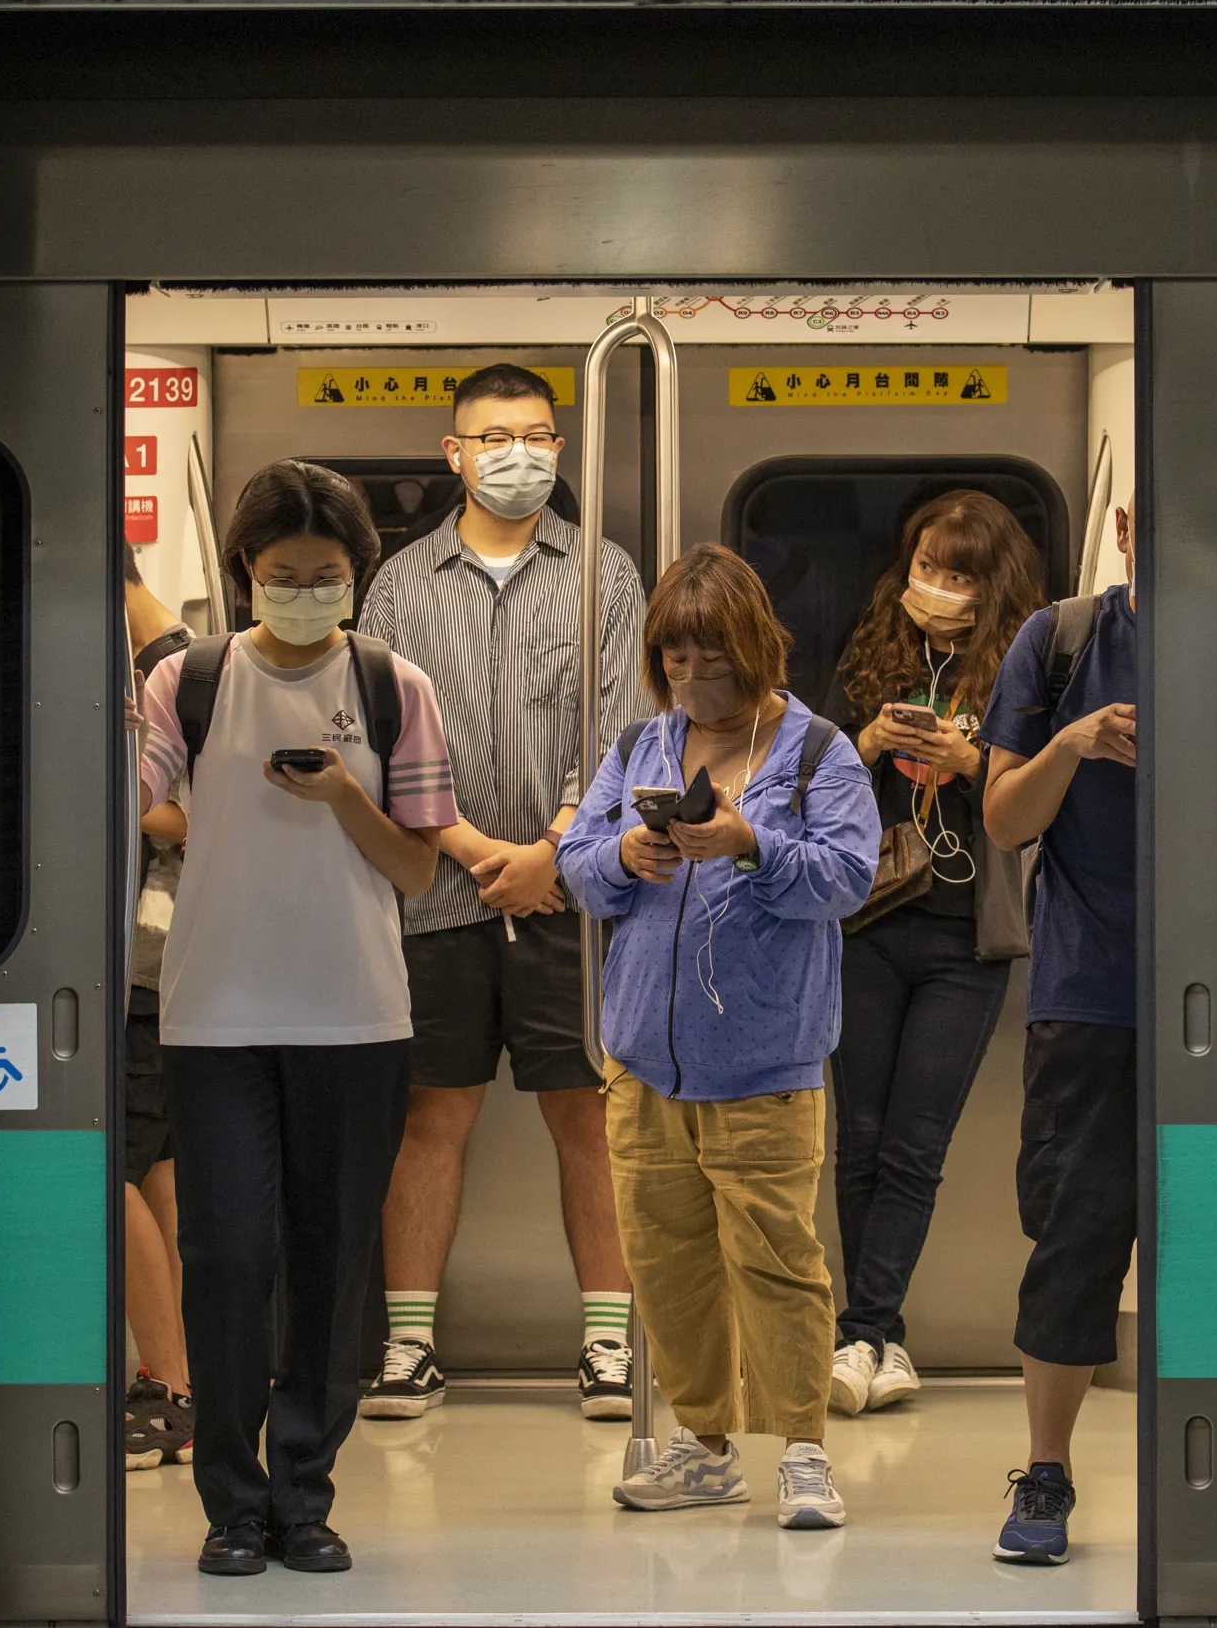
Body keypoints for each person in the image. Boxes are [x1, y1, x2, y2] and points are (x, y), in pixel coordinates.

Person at [136, 461, 459, 1576]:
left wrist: (341, 795)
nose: (308, 592)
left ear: (357, 576)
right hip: (214, 1010)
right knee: (226, 1253)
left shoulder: (393, 684)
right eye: (285, 575)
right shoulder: (185, 680)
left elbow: (419, 868)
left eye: (327, 575)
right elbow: (153, 803)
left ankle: (305, 1493)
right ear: (244, 575)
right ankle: (232, 1496)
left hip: (355, 1012)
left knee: (330, 1262)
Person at [556, 545, 878, 1531]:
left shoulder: (819, 751)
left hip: (767, 1062)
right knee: (668, 1261)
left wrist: (750, 842)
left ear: (758, 651)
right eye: (679, 658)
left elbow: (846, 878)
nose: (698, 679)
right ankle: (704, 1444)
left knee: (780, 1258)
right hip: (644, 1060)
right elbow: (575, 866)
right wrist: (624, 852)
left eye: (717, 659)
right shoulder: (638, 749)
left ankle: (806, 1451)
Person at [352, 363, 648, 1424]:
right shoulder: (397, 585)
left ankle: (610, 1346)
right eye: (491, 436)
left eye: (532, 434)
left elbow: (624, 734)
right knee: (431, 1112)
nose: (513, 454)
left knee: (591, 1112)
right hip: (438, 889)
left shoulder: (604, 576)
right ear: (454, 453)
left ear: (561, 449)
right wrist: (486, 854)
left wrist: (554, 854)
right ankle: (410, 1344)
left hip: (572, 896)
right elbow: (385, 745)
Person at [820, 491, 1046, 1417]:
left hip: (965, 937)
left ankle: (865, 1330)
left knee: (915, 1143)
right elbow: (807, 780)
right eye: (928, 568)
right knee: (860, 1140)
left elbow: (1043, 795)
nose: (938, 589)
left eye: (959, 576)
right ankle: (875, 1337)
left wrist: (971, 761)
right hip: (865, 924)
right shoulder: (871, 653)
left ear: (993, 589)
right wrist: (868, 741)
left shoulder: (1027, 667)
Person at [976, 500, 1140, 1567]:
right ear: (1125, 524)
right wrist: (1075, 742)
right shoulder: (1064, 639)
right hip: (1090, 991)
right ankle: (1048, 1465)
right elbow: (1003, 818)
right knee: (1075, 1237)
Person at [122, 556, 195, 1470]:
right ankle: (187, 1382)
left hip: (144, 952)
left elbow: (185, 808)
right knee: (163, 1166)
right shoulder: (164, 656)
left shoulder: (169, 670)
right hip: (163, 959)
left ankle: (166, 1382)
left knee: (111, 1169)